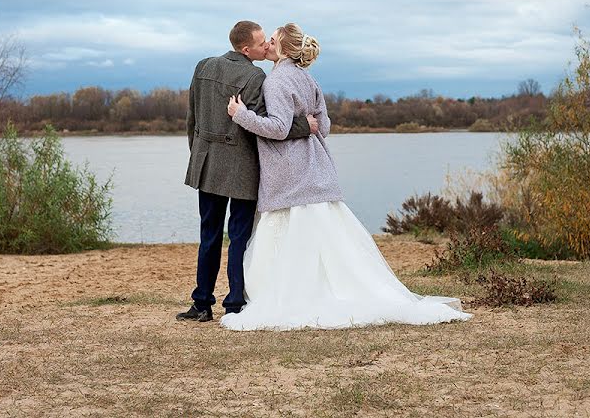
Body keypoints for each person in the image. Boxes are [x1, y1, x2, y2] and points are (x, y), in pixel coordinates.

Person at [222, 23, 472, 330]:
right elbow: (323, 127)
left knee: (289, 239)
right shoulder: (309, 79)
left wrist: (241, 115)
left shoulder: (275, 82)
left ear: (284, 49)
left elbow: (277, 129)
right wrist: (306, 124)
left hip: (290, 174)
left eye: (273, 40)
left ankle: (295, 297)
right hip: (317, 169)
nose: (268, 44)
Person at [177, 21, 317, 323]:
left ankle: (201, 303)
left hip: (207, 164)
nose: (267, 45)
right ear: (246, 49)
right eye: (261, 42)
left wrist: (199, 154)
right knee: (239, 236)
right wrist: (306, 125)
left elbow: (192, 119)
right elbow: (267, 127)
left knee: (209, 235)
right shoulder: (255, 76)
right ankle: (235, 303)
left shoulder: (203, 66)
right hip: (243, 167)